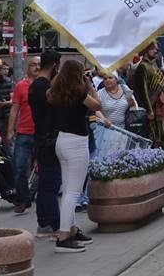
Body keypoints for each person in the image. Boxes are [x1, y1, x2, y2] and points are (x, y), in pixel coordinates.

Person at [47, 59, 100, 253]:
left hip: (61, 141)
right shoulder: (80, 93)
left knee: (68, 189)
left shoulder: (54, 92)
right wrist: (90, 85)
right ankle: (63, 237)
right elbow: (98, 106)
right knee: (73, 192)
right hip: (77, 143)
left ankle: (71, 229)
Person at [29, 51, 61, 237]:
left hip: (41, 137)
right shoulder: (45, 86)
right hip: (50, 139)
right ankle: (56, 225)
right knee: (51, 184)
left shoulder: (34, 86)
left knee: (44, 184)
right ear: (55, 65)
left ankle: (44, 222)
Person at [8, 55, 38, 215]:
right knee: (19, 167)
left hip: (41, 132)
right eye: (33, 64)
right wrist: (10, 130)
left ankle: (37, 195)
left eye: (39, 65)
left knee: (44, 167)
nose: (36, 67)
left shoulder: (45, 85)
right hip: (24, 132)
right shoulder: (21, 86)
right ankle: (24, 199)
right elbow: (15, 109)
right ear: (28, 67)